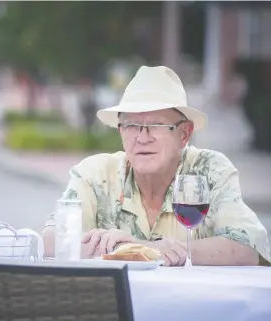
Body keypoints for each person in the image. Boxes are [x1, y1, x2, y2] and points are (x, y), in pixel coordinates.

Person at [43, 66, 270, 266]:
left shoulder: (209, 170)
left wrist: (154, 250)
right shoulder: (95, 173)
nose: (142, 138)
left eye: (157, 125)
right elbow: (52, 239)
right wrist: (126, 251)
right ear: (120, 131)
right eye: (131, 125)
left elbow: (247, 246)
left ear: (184, 134)